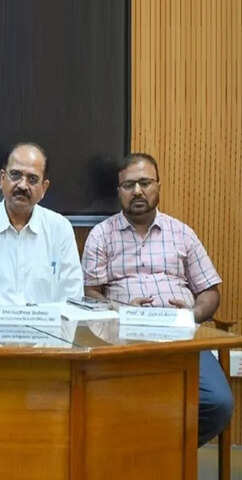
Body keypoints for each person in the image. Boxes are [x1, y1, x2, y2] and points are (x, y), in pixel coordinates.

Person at [82, 152, 233, 446]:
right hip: (124, 341)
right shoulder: (101, 235)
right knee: (109, 405)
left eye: (145, 182)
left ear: (158, 186)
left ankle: (163, 452)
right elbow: (90, 293)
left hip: (182, 338)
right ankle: (150, 455)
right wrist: (120, 312)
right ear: (119, 191)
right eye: (128, 185)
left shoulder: (182, 233)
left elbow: (210, 291)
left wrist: (192, 313)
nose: (137, 191)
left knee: (218, 403)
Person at [0, 142, 83, 310]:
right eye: (15, 175)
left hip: (45, 326)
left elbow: (72, 299)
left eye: (32, 179)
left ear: (44, 188)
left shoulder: (60, 229)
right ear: (2, 179)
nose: (22, 185)